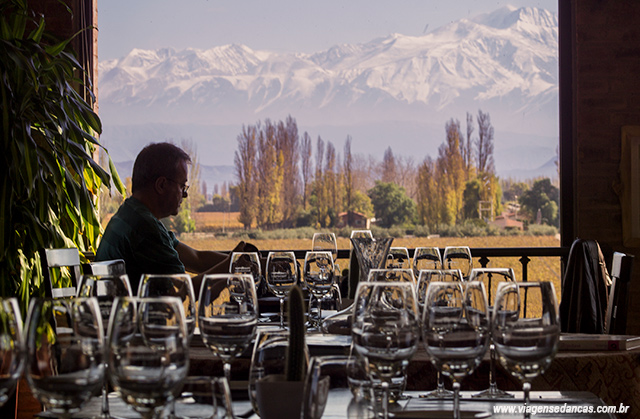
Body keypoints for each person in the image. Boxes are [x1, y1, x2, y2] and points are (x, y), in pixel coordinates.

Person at [95, 142, 256, 294]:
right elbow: (183, 293)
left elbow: (196, 258)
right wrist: (232, 265)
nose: (185, 194)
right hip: (136, 322)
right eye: (182, 186)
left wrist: (248, 263)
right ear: (161, 185)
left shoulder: (131, 213)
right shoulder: (145, 229)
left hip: (119, 320)